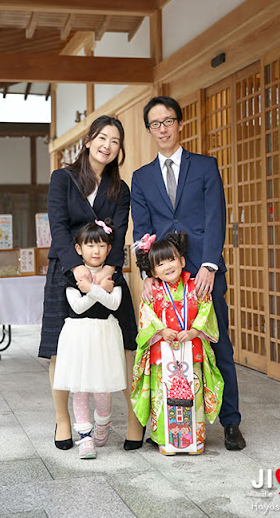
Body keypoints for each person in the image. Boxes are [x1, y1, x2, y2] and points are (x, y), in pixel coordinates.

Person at [131, 96, 246, 450]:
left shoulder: (206, 166)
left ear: (180, 124)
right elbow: (143, 230)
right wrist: (148, 274)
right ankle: (166, 425)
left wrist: (209, 265)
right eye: (155, 124)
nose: (162, 129)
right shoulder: (141, 177)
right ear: (149, 130)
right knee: (164, 354)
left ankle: (230, 423)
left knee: (217, 346)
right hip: (164, 276)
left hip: (202, 273)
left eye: (168, 121)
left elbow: (216, 217)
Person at [38, 115, 142, 452]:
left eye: (115, 141)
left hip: (108, 272)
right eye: (102, 138)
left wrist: (109, 270)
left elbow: (122, 231)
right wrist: (77, 268)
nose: (107, 146)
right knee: (59, 345)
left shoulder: (120, 189)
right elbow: (58, 224)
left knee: (126, 342)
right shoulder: (63, 179)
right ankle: (63, 420)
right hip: (66, 270)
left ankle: (134, 420)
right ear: (88, 140)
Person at [131, 232, 224, 455]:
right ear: (152, 272)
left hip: (191, 350)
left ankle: (195, 440)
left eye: (171, 259)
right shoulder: (152, 292)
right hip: (163, 353)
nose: (167, 266)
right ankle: (166, 440)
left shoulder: (195, 287)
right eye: (160, 264)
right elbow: (146, 315)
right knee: (163, 396)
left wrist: (194, 331)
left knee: (195, 394)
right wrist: (161, 330)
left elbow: (206, 309)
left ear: (182, 261)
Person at [53, 219, 126, 459]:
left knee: (103, 388)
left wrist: (93, 289)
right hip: (78, 335)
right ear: (78, 249)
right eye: (91, 246)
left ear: (109, 248)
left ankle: (102, 424)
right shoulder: (73, 275)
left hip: (105, 334)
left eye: (102, 246)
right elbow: (78, 306)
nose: (96, 251)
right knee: (80, 388)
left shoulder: (114, 274)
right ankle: (85, 436)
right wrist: (97, 289)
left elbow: (114, 303)